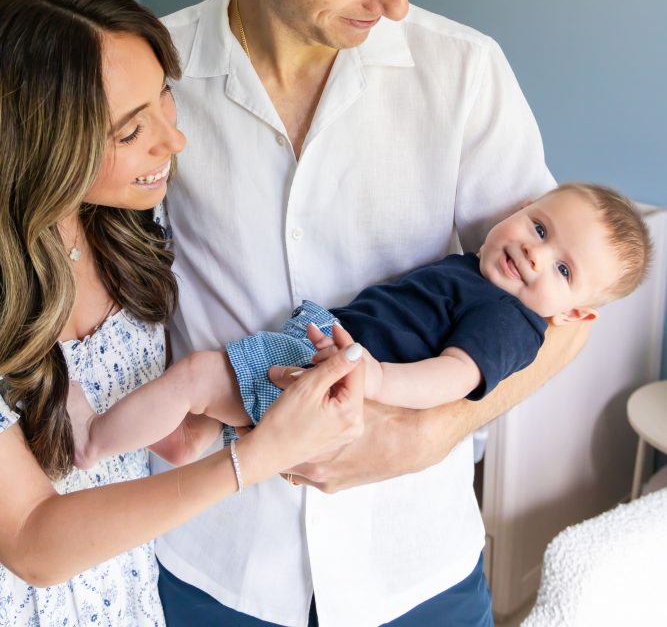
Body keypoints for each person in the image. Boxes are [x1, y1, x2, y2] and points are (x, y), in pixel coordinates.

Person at [154, 0, 590, 627]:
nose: (394, 3)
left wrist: (431, 432)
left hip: (414, 565)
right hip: (211, 560)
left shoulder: (463, 71)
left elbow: (566, 317)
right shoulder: (146, 81)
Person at [0, 0, 364, 627]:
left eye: (163, 98)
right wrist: (257, 459)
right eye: (131, 131)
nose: (175, 140)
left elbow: (170, 415)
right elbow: (30, 540)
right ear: (36, 147)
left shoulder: (134, 227)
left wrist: (272, 386)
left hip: (127, 593)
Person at [68, 182, 650, 470]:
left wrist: (376, 382)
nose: (533, 254)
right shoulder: (481, 275)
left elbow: (455, 376)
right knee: (209, 411)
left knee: (198, 374)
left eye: (564, 269)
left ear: (575, 314)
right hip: (331, 352)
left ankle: (91, 440)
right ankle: (184, 437)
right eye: (540, 228)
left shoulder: (512, 322)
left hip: (336, 375)